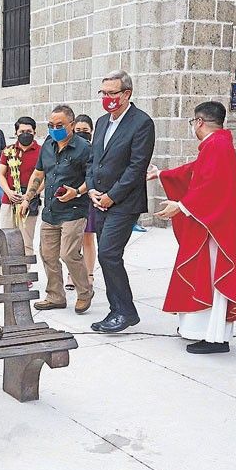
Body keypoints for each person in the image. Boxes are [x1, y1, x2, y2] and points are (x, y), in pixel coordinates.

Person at [147, 101, 236, 354]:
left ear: (199, 122)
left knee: (211, 277)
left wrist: (182, 206)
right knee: (205, 275)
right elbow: (196, 172)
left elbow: (211, 186)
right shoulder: (218, 144)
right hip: (212, 225)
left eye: (193, 122)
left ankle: (214, 337)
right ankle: (204, 332)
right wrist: (163, 175)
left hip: (215, 229)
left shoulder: (217, 145)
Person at [86, 69, 155, 333]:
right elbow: (93, 160)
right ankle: (117, 309)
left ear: (127, 94)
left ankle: (125, 312)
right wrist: (92, 189)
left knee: (109, 254)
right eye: (103, 93)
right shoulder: (102, 122)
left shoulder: (141, 123)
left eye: (112, 93)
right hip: (99, 199)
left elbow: (136, 168)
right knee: (108, 257)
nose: (106, 98)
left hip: (123, 203)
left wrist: (111, 197)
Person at [21, 105, 94, 314]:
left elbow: (93, 179)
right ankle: (55, 295)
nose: (55, 129)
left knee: (69, 253)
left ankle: (84, 292)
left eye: (59, 125)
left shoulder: (84, 148)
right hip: (51, 211)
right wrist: (28, 198)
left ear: (71, 124)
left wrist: (77, 192)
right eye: (51, 125)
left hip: (74, 209)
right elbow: (38, 173)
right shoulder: (48, 145)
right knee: (48, 254)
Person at [0, 116, 41, 272]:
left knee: (26, 240)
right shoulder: (8, 151)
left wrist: (29, 196)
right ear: (16, 132)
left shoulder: (41, 152)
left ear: (35, 132)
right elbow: (1, 175)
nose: (25, 134)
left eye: (29, 131)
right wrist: (9, 192)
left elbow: (45, 177)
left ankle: (24, 274)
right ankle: (3, 271)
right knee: (5, 237)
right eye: (22, 131)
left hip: (30, 201)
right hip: (9, 200)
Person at [66, 114, 96, 291]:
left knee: (87, 238)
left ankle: (89, 274)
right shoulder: (69, 149)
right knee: (72, 239)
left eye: (86, 131)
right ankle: (72, 274)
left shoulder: (95, 150)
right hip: (71, 198)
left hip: (88, 197)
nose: (82, 134)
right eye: (78, 131)